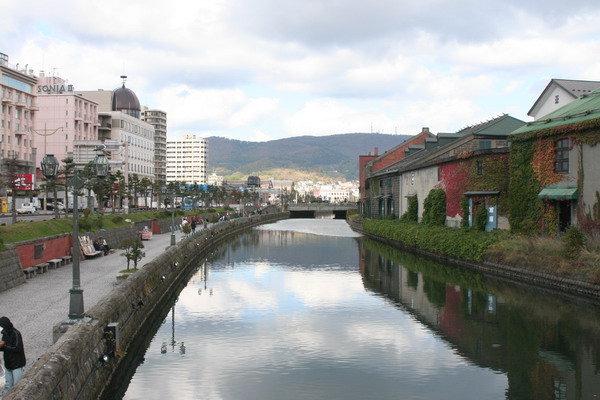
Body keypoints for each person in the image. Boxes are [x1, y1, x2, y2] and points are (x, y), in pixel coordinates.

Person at [0, 316, 26, 394]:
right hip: (8, 364)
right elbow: (5, 348)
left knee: (17, 386)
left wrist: (4, 346)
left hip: (17, 364)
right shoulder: (4, 334)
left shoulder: (16, 334)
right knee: (8, 386)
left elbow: (17, 348)